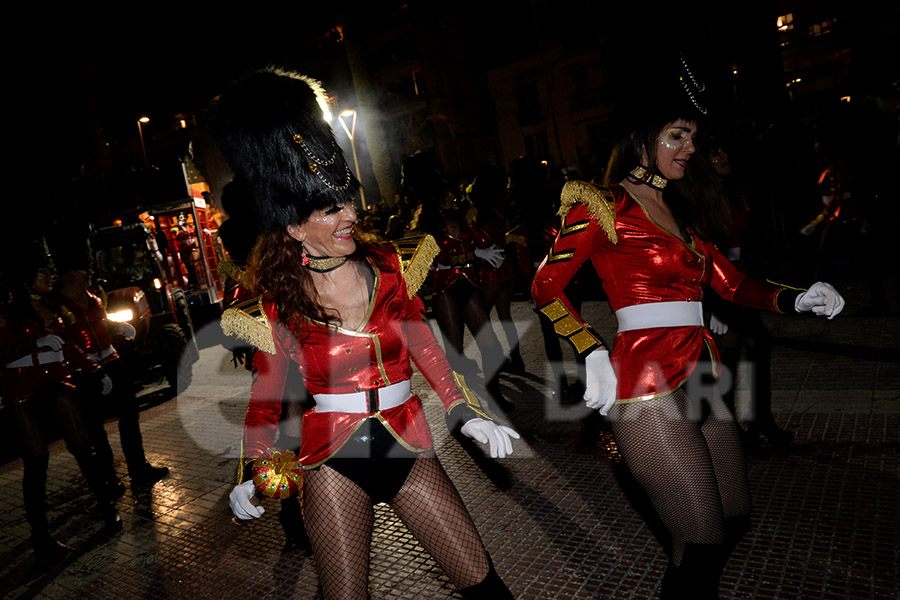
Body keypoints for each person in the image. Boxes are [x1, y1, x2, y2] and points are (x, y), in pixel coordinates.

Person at [531, 54, 845, 598]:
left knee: (730, 518)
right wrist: (591, 350)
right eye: (678, 135)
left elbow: (731, 284)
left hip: (704, 375)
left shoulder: (681, 209)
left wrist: (798, 300)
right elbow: (544, 288)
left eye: (694, 137)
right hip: (646, 382)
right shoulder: (602, 206)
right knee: (701, 539)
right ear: (641, 137)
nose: (691, 148)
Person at [208, 66, 519, 599]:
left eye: (349, 198)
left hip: (407, 445)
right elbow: (265, 402)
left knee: (487, 589)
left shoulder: (390, 269)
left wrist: (465, 412)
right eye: (332, 209)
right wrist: (253, 471)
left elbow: (428, 349)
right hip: (332, 461)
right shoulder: (280, 306)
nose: (351, 213)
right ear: (292, 224)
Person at [0, 239, 121, 563]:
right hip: (22, 388)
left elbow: (66, 345)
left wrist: (94, 369)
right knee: (36, 461)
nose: (51, 275)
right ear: (26, 276)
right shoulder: (6, 312)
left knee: (83, 446)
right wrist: (32, 344)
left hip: (57, 380)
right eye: (43, 271)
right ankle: (41, 537)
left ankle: (107, 507)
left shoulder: (51, 306)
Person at [51, 241, 170, 489]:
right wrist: (92, 369)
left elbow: (102, 321)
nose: (91, 272)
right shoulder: (55, 306)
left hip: (111, 359)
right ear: (69, 274)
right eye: (85, 268)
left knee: (129, 412)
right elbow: (63, 343)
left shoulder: (92, 294)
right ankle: (108, 479)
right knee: (95, 426)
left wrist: (118, 327)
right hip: (83, 372)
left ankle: (138, 467)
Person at [403, 151, 513, 414]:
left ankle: (495, 396)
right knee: (454, 354)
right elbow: (434, 255)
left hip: (469, 285)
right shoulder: (427, 227)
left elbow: (479, 239)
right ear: (437, 201)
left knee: (491, 346)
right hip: (445, 291)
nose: (454, 196)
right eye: (448, 195)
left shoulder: (461, 219)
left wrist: (486, 251)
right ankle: (459, 407)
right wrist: (472, 253)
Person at [702, 142, 793, 447]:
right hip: (718, 289)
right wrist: (713, 308)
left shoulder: (732, 191)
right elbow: (699, 255)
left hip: (743, 281)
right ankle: (727, 430)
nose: (724, 156)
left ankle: (760, 419)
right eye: (716, 153)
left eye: (724, 150)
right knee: (728, 354)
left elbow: (750, 235)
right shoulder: (699, 199)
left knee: (758, 345)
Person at [467, 165, 525, 374]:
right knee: (504, 316)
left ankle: (499, 358)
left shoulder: (483, 215)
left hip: (491, 271)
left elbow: (482, 240)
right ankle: (517, 358)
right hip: (506, 270)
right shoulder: (501, 211)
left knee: (482, 318)